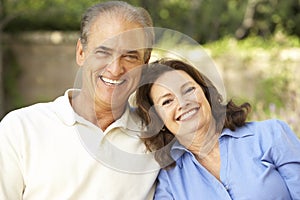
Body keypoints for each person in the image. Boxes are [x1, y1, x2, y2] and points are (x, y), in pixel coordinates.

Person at [0, 1, 159, 199]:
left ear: (144, 64)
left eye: (130, 56)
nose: (115, 69)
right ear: (81, 53)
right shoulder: (20, 129)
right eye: (103, 52)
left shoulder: (156, 140)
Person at [135, 58, 300, 199]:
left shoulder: (270, 135)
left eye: (188, 90)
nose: (182, 103)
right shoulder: (169, 182)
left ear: (206, 93)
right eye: (167, 101)